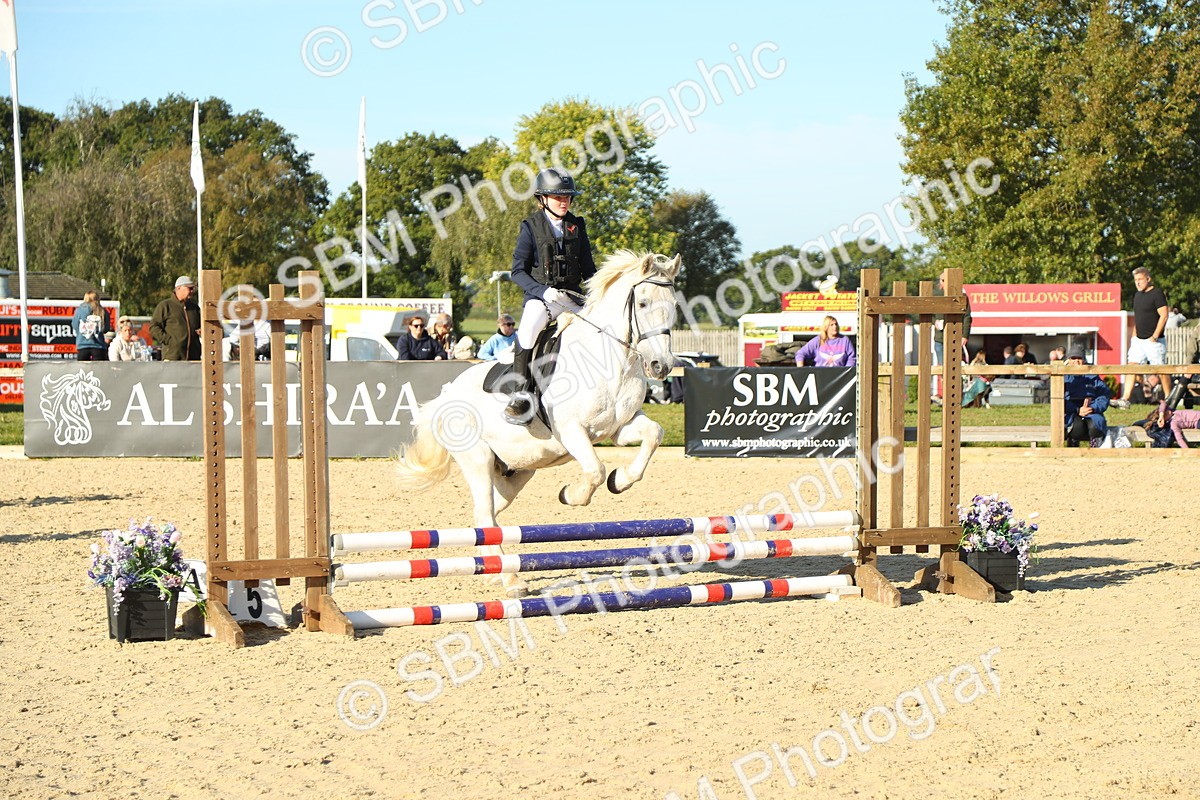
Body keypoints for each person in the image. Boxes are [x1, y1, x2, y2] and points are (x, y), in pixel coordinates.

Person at [504, 167, 597, 423]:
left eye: (567, 197)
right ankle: (520, 394)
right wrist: (543, 291)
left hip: (573, 298)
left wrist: (598, 294)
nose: (564, 201)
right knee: (528, 329)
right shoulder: (530, 227)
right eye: (558, 197)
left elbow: (589, 269)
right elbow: (517, 272)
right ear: (543, 199)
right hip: (542, 298)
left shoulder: (577, 226)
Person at [1113, 267, 1171, 408]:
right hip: (1138, 340)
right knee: (1131, 367)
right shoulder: (1137, 296)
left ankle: (1170, 399)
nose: (1138, 282)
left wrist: (1155, 336)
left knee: (1161, 370)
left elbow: (1164, 315)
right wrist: (1134, 337)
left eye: (1140, 279)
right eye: (1136, 280)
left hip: (1154, 341)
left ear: (1148, 279)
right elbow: (1138, 318)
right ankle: (1125, 399)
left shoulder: (1157, 294)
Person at [932, 269, 971, 401]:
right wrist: (935, 322)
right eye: (940, 280)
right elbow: (928, 314)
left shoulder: (962, 296)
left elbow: (967, 317)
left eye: (943, 280)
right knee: (943, 369)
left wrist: (964, 336)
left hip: (955, 338)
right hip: (940, 339)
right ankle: (947, 397)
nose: (940, 283)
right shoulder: (936, 295)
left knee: (954, 368)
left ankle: (957, 397)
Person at [1063, 344, 1111, 447]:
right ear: (1069, 360)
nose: (1076, 361)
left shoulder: (1093, 376)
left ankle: (1096, 448)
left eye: (1079, 358)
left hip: (1091, 408)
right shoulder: (1063, 377)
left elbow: (1104, 395)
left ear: (1084, 360)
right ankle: (1072, 448)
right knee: (1077, 426)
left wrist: (1092, 408)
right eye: (1073, 358)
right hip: (1071, 411)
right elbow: (1060, 399)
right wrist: (1077, 410)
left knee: (1095, 424)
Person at [151, 275, 202, 361]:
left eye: (192, 289)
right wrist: (170, 341)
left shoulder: (194, 307)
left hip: (193, 358)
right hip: (172, 357)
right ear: (179, 288)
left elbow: (201, 325)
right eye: (189, 288)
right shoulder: (165, 306)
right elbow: (154, 327)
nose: (192, 291)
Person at [72, 290, 110, 361]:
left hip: (82, 345)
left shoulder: (79, 311)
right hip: (98, 346)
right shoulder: (103, 311)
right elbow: (106, 329)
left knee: (82, 370)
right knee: (99, 370)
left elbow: (75, 325)